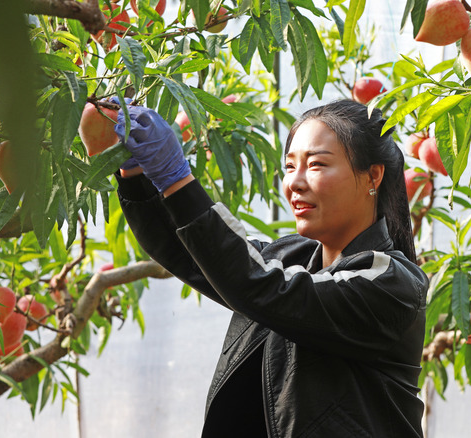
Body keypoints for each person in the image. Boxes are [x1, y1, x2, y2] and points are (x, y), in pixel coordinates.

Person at [114, 99, 428, 437]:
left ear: (373, 176)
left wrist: (177, 177)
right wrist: (135, 176)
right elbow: (189, 254)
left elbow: (258, 283)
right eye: (291, 166)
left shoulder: (392, 284)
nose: (295, 182)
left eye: (317, 165)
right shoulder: (291, 258)